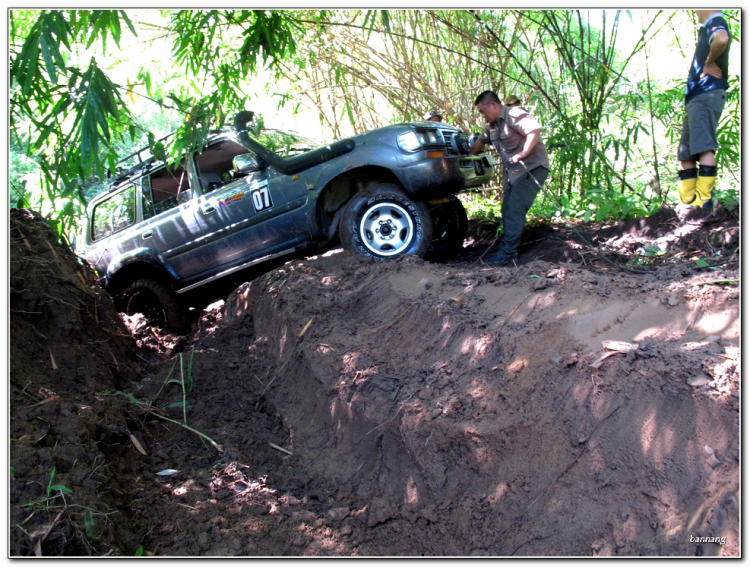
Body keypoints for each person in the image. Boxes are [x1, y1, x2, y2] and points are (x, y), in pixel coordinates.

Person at [469, 90, 549, 265]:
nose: (483, 116)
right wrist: (465, 157)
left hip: (532, 168)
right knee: (507, 209)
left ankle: (508, 255)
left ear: (494, 105)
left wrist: (523, 153)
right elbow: (480, 142)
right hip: (513, 173)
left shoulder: (514, 115)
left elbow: (534, 130)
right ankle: (507, 248)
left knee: (514, 209)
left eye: (483, 111)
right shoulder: (492, 126)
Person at [677, 10, 731, 209]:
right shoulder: (708, 25)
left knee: (703, 147)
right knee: (686, 153)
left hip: (706, 94)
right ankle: (688, 202)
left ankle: (703, 204)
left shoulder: (716, 21)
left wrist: (708, 62)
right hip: (696, 97)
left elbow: (722, 38)